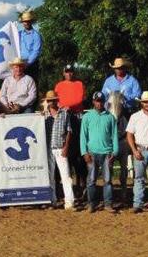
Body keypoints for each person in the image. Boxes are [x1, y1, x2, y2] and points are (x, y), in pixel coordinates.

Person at [80, 92, 119, 213]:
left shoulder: (110, 117)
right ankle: (91, 204)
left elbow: (114, 135)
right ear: (93, 101)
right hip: (92, 152)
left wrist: (115, 151)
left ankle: (108, 204)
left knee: (107, 180)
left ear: (104, 102)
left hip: (107, 153)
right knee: (91, 180)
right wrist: (84, 152)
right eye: (97, 101)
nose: (99, 103)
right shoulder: (87, 117)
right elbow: (83, 136)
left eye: (101, 100)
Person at [54, 64, 87, 197]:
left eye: (71, 72)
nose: (69, 74)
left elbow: (79, 99)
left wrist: (66, 105)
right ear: (64, 73)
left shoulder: (79, 84)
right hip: (64, 114)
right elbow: (56, 100)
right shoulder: (59, 85)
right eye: (67, 72)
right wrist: (61, 106)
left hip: (76, 115)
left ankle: (82, 182)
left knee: (80, 145)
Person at [43, 91, 74, 210]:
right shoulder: (44, 115)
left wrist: (66, 147)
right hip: (48, 148)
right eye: (49, 100)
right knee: (50, 176)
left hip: (60, 148)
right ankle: (52, 200)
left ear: (57, 101)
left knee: (65, 176)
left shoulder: (64, 113)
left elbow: (69, 131)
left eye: (53, 100)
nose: (51, 102)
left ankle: (69, 201)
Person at [17, 11, 42, 79]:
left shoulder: (36, 35)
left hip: (31, 64)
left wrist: (27, 63)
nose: (26, 23)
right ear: (22, 22)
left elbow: (36, 51)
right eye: (25, 21)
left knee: (31, 83)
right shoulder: (18, 34)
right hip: (19, 63)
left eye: (28, 21)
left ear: (31, 22)